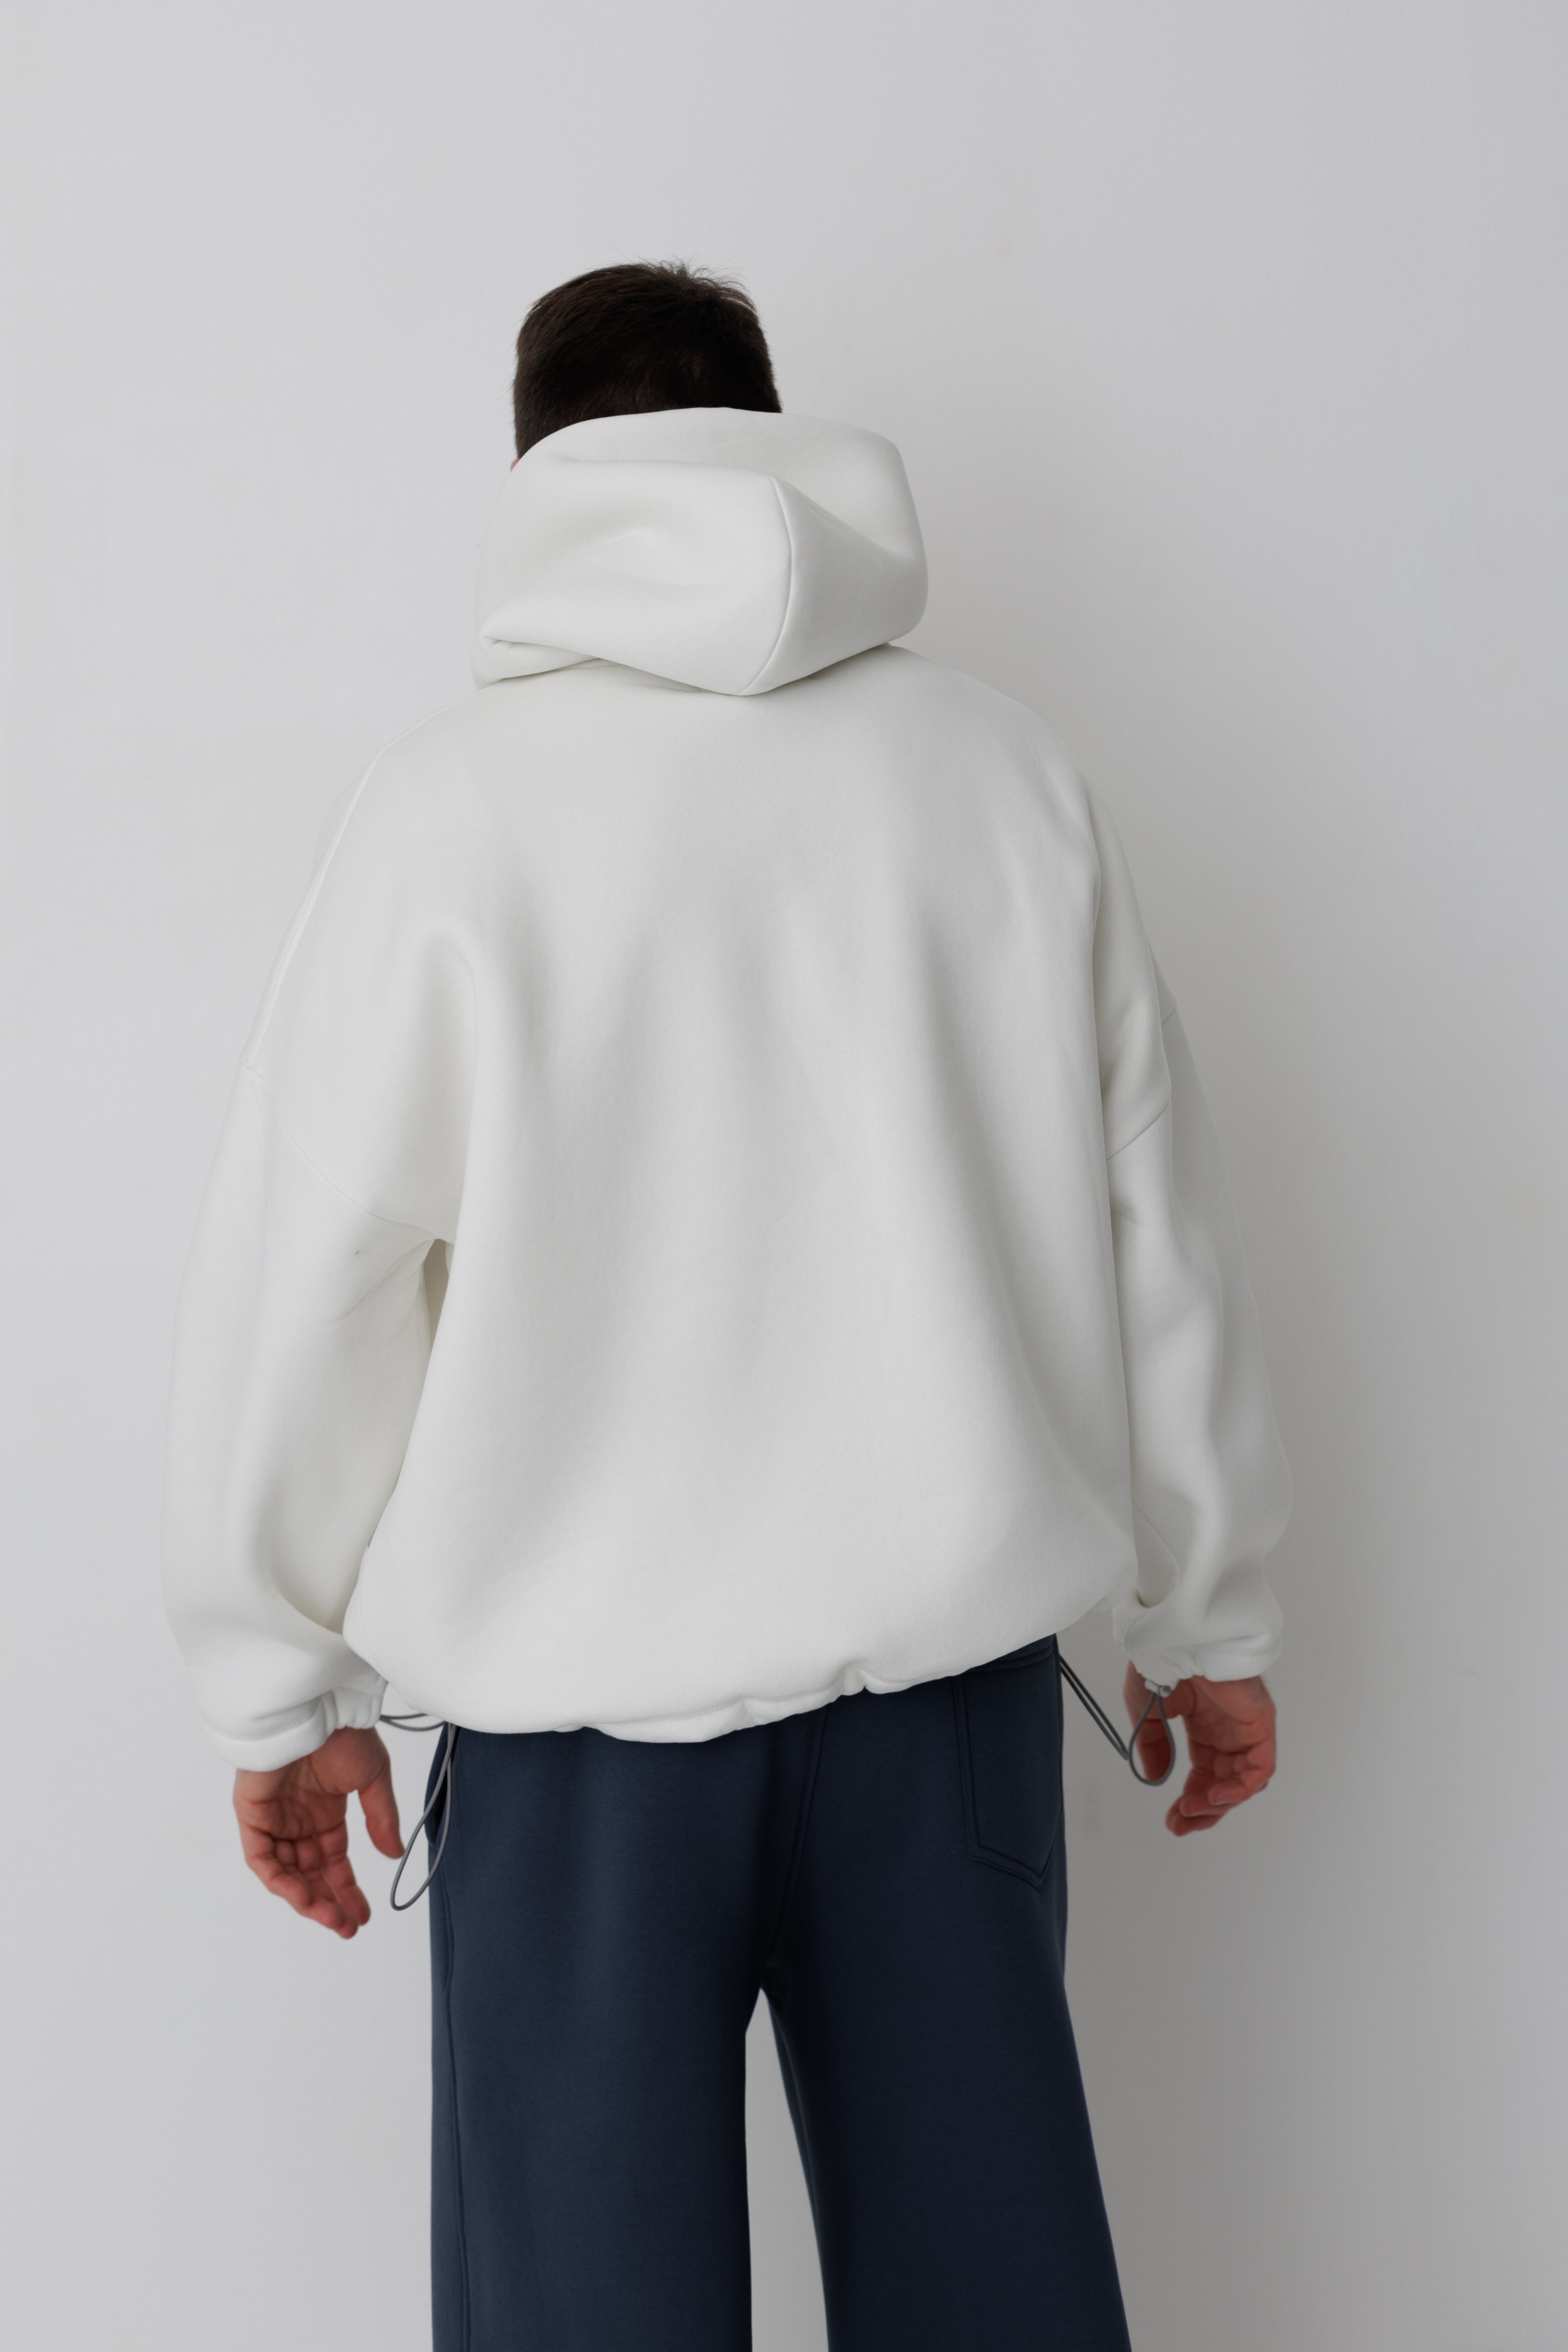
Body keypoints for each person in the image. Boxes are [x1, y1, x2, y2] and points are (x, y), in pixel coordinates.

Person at [164, 261, 1290, 2352]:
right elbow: (1163, 1220)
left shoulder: (447, 810)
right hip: (943, 1715)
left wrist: (277, 1689)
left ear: (540, 476)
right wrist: (1208, 1617)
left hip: (576, 1744)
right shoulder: (1002, 776)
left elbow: (311, 1270)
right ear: (778, 440)